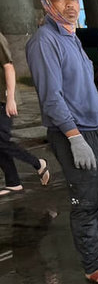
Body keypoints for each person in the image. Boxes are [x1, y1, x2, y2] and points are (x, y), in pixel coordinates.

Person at [26, 0, 98, 284]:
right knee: (84, 201)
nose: (71, 5)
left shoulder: (73, 38)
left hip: (92, 129)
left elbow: (84, 93)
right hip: (71, 132)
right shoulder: (44, 41)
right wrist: (75, 138)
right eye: (62, 0)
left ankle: (97, 251)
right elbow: (52, 98)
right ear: (47, 3)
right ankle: (91, 265)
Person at [0, 31, 49, 195]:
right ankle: (13, 182)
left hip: (2, 100)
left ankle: (38, 163)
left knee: (2, 141)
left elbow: (9, 67)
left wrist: (11, 98)